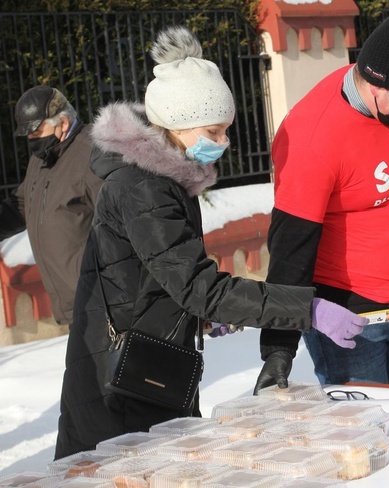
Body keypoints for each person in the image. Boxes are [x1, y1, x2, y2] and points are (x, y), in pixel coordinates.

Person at [54, 25, 366, 459]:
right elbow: (198, 286)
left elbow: (149, 278)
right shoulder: (142, 188)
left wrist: (192, 317)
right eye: (214, 131)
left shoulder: (162, 181)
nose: (224, 143)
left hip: (143, 366)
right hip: (119, 385)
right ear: (178, 125)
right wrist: (304, 308)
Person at [253, 0, 389, 394]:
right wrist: (278, 348)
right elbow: (290, 247)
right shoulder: (313, 138)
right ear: (376, 84)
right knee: (369, 444)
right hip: (348, 321)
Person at [0, 86, 103, 325]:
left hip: (101, 300)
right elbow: (25, 204)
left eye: (36, 131)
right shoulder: (42, 158)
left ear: (63, 123)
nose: (31, 139)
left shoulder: (92, 153)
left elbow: (119, 223)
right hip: (73, 303)